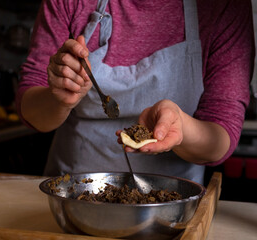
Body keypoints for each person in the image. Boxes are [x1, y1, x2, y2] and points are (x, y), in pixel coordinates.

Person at [16, 0, 255, 184]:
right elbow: (31, 110)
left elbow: (221, 136)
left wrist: (181, 127)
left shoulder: (224, 5)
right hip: (73, 195)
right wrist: (59, 99)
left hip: (170, 208)